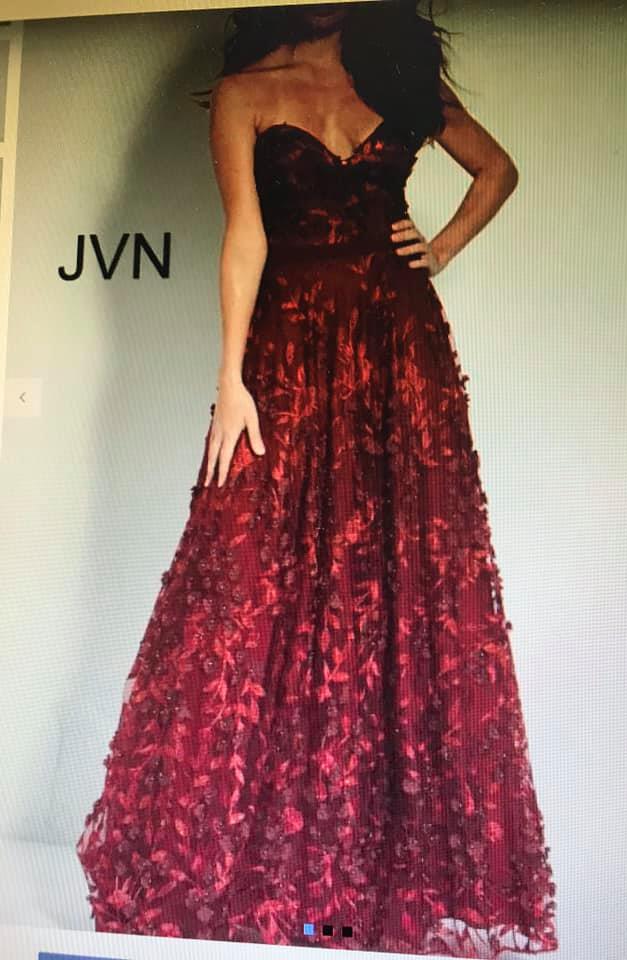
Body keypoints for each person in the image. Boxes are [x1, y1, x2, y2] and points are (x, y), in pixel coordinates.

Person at [76, 3, 558, 957]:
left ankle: (366, 892)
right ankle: (263, 882)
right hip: (290, 347)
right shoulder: (247, 94)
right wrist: (231, 380)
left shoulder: (404, 80)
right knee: (251, 580)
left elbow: (497, 169)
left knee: (399, 584)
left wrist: (441, 249)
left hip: (398, 349)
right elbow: (245, 238)